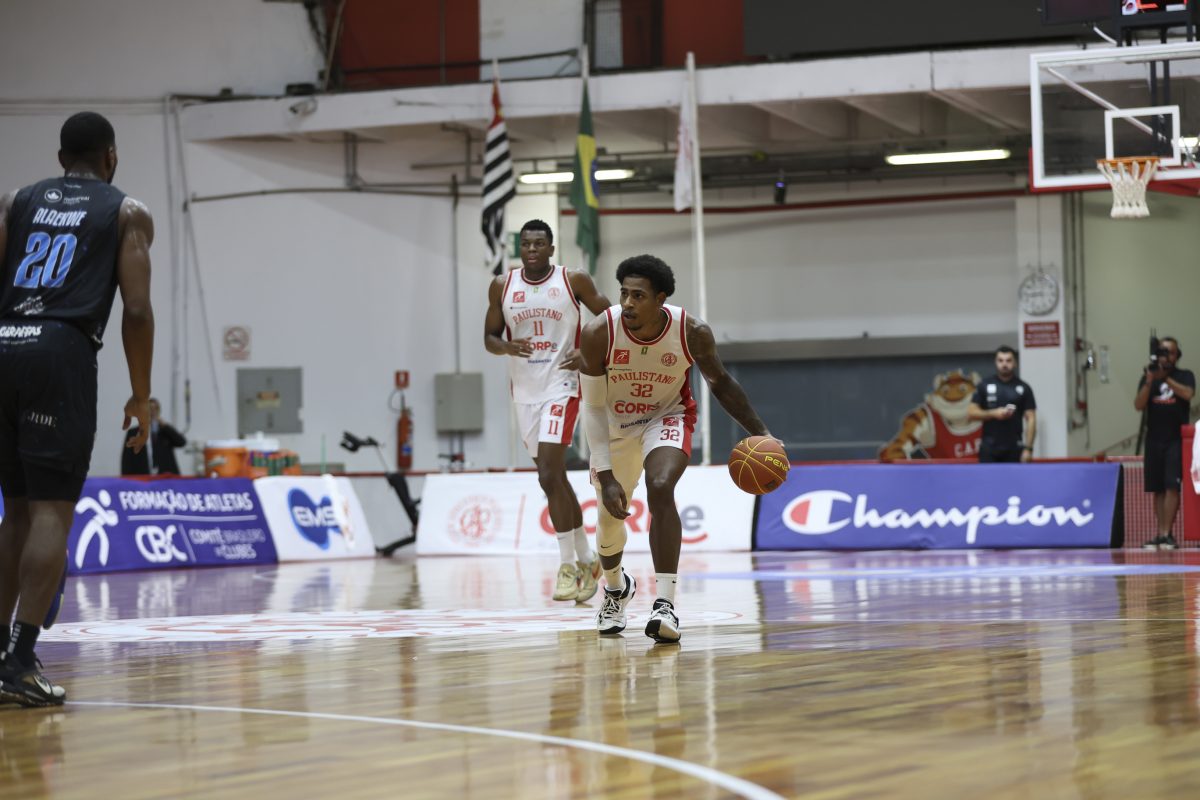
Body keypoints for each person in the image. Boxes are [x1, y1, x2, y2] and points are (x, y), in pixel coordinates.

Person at [0, 112, 155, 706]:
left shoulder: (16, 201)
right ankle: (18, 661)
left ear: (61, 157)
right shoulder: (126, 211)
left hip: (5, 343)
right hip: (60, 352)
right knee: (50, 513)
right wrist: (140, 394)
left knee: (15, 511)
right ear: (111, 156)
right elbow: (135, 309)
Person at [579, 254, 775, 643]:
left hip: (667, 416)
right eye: (624, 294)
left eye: (638, 296)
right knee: (609, 521)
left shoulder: (691, 331)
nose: (628, 303)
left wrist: (762, 433)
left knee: (661, 485)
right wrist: (605, 473)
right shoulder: (599, 332)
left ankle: (665, 605)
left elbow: (720, 383)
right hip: (614, 426)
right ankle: (616, 589)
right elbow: (593, 407)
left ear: (661, 299)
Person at [484, 219, 612, 602]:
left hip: (562, 386)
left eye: (539, 244)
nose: (532, 250)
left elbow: (611, 320)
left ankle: (567, 566)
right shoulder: (502, 285)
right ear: (519, 248)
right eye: (526, 244)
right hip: (524, 392)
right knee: (553, 478)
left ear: (551, 249)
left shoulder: (573, 280)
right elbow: (489, 338)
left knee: (547, 473)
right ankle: (588, 558)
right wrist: (506, 347)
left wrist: (587, 351)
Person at [1135, 336, 1194, 550]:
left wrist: (1166, 379)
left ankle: (1168, 533)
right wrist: (1151, 380)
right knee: (1158, 488)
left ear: (1177, 356)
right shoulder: (1149, 376)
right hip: (1154, 438)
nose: (1166, 356)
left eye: (1170, 352)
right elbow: (1138, 405)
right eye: (1162, 351)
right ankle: (1160, 533)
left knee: (1172, 486)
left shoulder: (1185, 375)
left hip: (1175, 439)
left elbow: (1188, 394)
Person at [967, 346, 1037, 463]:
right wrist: (993, 413)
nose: (1004, 364)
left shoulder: (1024, 387)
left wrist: (1028, 448)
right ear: (996, 362)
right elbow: (971, 413)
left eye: (1008, 360)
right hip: (989, 448)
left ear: (1015, 363)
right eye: (1000, 360)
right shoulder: (984, 384)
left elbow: (1031, 418)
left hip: (1014, 448)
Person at [120, 397, 186, 475]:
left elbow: (181, 442)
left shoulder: (165, 432)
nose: (152, 412)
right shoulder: (133, 433)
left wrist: (165, 426)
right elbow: (126, 459)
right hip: (142, 476)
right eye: (149, 409)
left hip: (165, 476)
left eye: (155, 409)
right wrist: (127, 479)